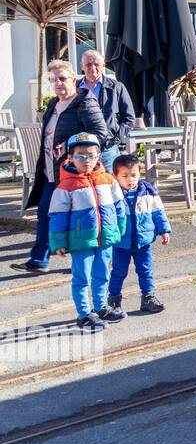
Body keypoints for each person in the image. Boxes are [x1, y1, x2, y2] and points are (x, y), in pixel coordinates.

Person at [12, 60, 109, 274]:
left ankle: (88, 260)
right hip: (51, 171)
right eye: (54, 80)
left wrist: (69, 145)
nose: (58, 83)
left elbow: (101, 134)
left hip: (75, 173)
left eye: (63, 79)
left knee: (79, 218)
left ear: (74, 79)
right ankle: (39, 260)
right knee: (46, 213)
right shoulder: (53, 104)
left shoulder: (85, 102)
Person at [48, 133, 127, 331]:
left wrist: (120, 228)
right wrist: (58, 242)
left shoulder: (108, 180)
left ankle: (101, 308)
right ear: (70, 157)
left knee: (102, 274)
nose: (87, 160)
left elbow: (119, 206)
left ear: (99, 156)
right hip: (80, 241)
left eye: (91, 155)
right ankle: (84, 314)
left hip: (105, 237)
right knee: (81, 277)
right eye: (81, 156)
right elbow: (57, 216)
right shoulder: (66, 186)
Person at [107, 154, 171, 317]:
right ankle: (113, 300)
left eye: (134, 175)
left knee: (145, 269)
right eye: (125, 176)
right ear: (115, 176)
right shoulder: (112, 193)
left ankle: (148, 297)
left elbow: (158, 212)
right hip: (121, 242)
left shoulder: (147, 191)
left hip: (144, 241)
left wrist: (164, 229)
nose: (130, 180)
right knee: (118, 271)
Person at [78, 49, 135, 169]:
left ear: (103, 66)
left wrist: (114, 139)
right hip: (80, 150)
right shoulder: (74, 88)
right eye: (88, 64)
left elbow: (129, 118)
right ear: (82, 66)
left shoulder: (116, 87)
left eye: (97, 64)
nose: (93, 68)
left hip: (107, 150)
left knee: (109, 184)